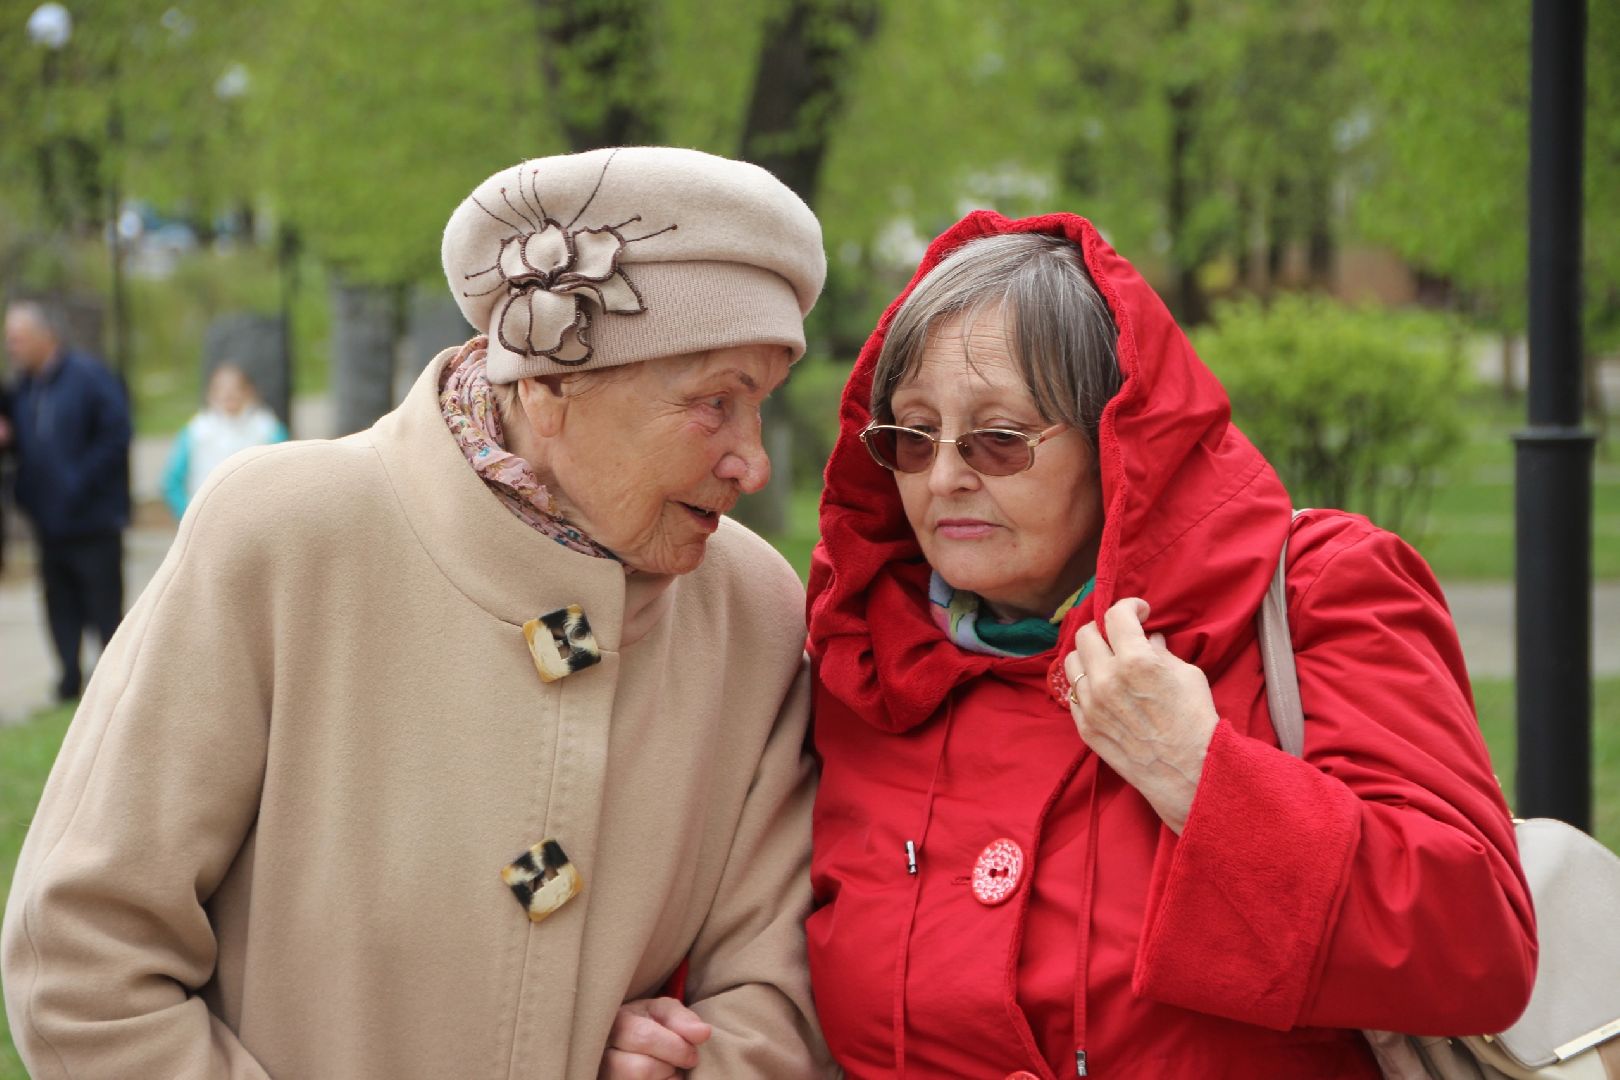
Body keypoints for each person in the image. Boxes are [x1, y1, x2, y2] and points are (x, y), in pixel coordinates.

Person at [4, 148, 832, 1079]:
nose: (751, 463)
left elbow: (782, 991)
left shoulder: (755, 612)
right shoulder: (283, 535)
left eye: (759, 406)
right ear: (550, 387)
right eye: (715, 404)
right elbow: (83, 963)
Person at [805, 214, 1536, 1078]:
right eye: (910, 435)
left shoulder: (1318, 592)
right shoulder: (857, 660)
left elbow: (1473, 950)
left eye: (1000, 438)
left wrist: (1202, 776)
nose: (943, 476)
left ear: (1117, 441)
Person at [3, 300, 132, 701]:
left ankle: (114, 687)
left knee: (103, 606)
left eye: (18, 339)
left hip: (93, 521)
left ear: (47, 337)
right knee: (60, 606)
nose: (11, 347)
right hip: (49, 523)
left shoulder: (89, 378)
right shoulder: (22, 388)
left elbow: (116, 433)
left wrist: (79, 483)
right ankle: (68, 681)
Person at [162, 361, 288, 519]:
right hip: (207, 521)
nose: (229, 394)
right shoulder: (196, 431)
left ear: (249, 391)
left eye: (236, 388)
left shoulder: (268, 430)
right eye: (221, 389)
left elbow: (285, 477)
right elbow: (172, 482)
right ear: (210, 394)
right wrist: (190, 516)